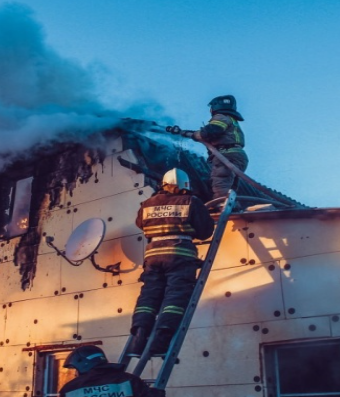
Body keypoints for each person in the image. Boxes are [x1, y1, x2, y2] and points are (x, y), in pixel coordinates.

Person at [125, 168, 215, 357]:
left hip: (153, 256)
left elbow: (140, 224)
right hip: (179, 254)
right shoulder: (191, 202)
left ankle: (139, 338)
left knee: (148, 297)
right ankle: (161, 340)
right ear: (185, 186)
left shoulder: (147, 204)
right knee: (176, 297)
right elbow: (206, 232)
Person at [172, 95, 248, 203]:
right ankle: (232, 206)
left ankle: (221, 204)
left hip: (226, 156)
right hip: (238, 155)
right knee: (230, 186)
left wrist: (195, 135)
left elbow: (209, 132)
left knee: (221, 182)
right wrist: (185, 133)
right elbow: (208, 133)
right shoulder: (231, 120)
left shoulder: (221, 117)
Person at [59, 345, 163, 397]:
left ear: (83, 364)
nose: (75, 374)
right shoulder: (129, 380)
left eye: (75, 369)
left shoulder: (69, 389)